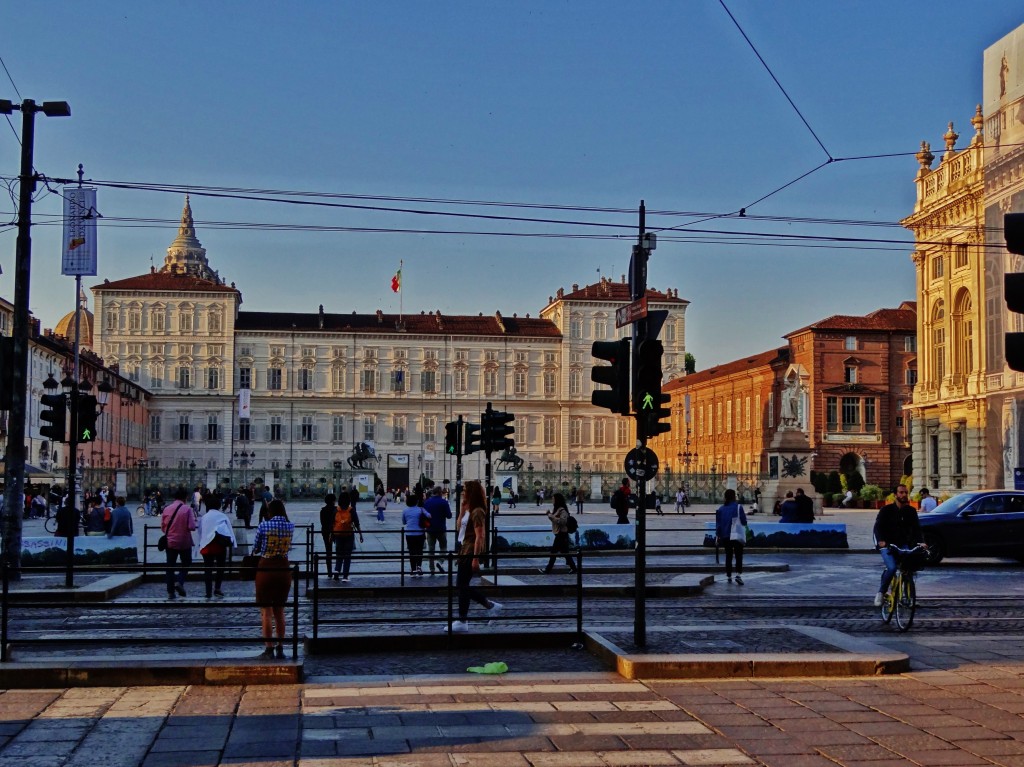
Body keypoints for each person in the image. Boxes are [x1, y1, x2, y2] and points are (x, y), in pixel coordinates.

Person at [449, 479, 501, 633]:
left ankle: (464, 620)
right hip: (465, 548)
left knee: (461, 585)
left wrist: (476, 558)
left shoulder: (478, 511)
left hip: (471, 550)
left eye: (465, 490)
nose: (463, 493)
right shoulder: (469, 509)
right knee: (462, 585)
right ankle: (489, 607)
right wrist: (461, 511)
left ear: (471, 493)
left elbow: (481, 535)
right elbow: (459, 528)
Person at [252, 498, 295, 659]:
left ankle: (268, 648)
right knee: (280, 611)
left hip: (266, 568)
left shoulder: (264, 525)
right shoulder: (290, 526)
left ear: (270, 511)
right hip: (283, 569)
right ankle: (280, 646)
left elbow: (256, 548)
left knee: (266, 612)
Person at [872, 484, 927, 607]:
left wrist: (921, 541)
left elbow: (917, 529)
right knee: (891, 568)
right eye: (901, 492)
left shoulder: (911, 511)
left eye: (905, 493)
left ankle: (908, 596)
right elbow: (878, 527)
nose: (903, 495)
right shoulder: (886, 510)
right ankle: (881, 592)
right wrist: (881, 541)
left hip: (903, 544)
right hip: (887, 545)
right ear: (895, 495)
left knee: (908, 569)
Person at [161, 487, 198, 600]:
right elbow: (192, 527)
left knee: (170, 566)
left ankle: (170, 592)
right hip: (184, 542)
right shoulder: (187, 509)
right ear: (185, 498)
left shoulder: (167, 509)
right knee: (186, 562)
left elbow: (163, 527)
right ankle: (180, 581)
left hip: (170, 541)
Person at [198, 501, 236, 599]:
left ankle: (208, 592)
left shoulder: (204, 517)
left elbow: (200, 532)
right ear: (219, 506)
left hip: (207, 546)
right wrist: (233, 542)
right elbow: (229, 530)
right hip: (219, 546)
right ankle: (217, 588)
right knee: (220, 568)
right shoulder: (222, 516)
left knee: (208, 570)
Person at [715, 488, 748, 584]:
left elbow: (718, 524)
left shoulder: (721, 509)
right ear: (734, 497)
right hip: (737, 534)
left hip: (725, 535)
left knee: (728, 555)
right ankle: (738, 574)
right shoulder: (738, 507)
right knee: (738, 555)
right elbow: (744, 521)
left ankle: (729, 575)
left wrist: (718, 536)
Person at [540, 492, 578, 574]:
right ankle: (574, 568)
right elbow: (554, 520)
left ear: (557, 500)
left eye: (553, 499)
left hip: (561, 534)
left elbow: (562, 522)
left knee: (553, 552)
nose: (552, 500)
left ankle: (548, 569)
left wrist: (551, 516)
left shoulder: (562, 510)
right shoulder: (557, 509)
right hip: (559, 533)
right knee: (565, 552)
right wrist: (550, 514)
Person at [331, 490, 364, 582]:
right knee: (347, 555)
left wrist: (332, 535)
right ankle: (345, 576)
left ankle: (336, 572)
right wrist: (360, 534)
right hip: (349, 534)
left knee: (339, 554)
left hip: (338, 535)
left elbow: (332, 523)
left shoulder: (336, 510)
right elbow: (356, 523)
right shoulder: (351, 510)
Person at [423, 485, 453, 574]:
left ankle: (431, 568)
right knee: (443, 547)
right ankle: (440, 561)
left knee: (431, 549)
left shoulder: (427, 502)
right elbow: (449, 516)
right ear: (440, 493)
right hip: (441, 528)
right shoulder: (443, 502)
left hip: (430, 528)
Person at [402, 493, 427, 577]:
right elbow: (429, 516)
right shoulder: (421, 509)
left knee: (411, 551)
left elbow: (404, 522)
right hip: (420, 533)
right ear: (416, 502)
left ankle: (413, 569)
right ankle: (419, 567)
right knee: (419, 550)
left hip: (409, 534)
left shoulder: (405, 510)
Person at [319, 493, 338, 577]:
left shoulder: (323, 510)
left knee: (328, 551)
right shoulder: (336, 510)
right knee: (339, 551)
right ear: (334, 501)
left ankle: (329, 572)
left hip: (326, 532)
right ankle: (337, 571)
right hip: (336, 531)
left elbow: (322, 523)